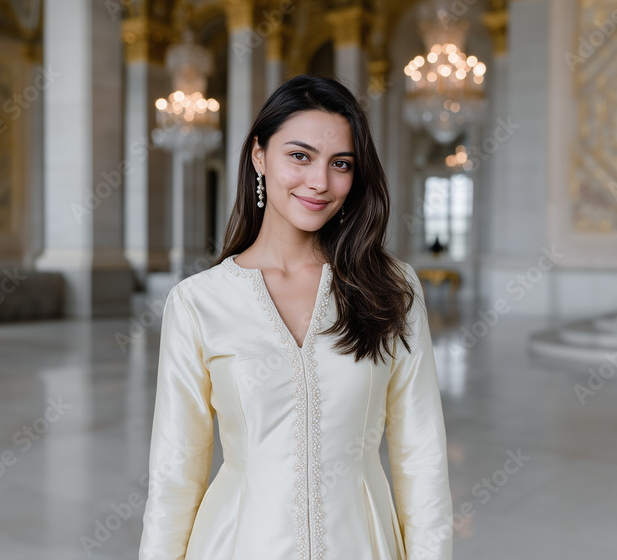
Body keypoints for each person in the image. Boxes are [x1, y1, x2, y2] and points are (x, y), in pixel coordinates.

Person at [139, 74, 453, 560]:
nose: (320, 182)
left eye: (340, 163)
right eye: (300, 156)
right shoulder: (198, 302)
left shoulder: (391, 287)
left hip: (362, 544)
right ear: (259, 156)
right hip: (237, 543)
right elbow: (175, 471)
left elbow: (422, 456)